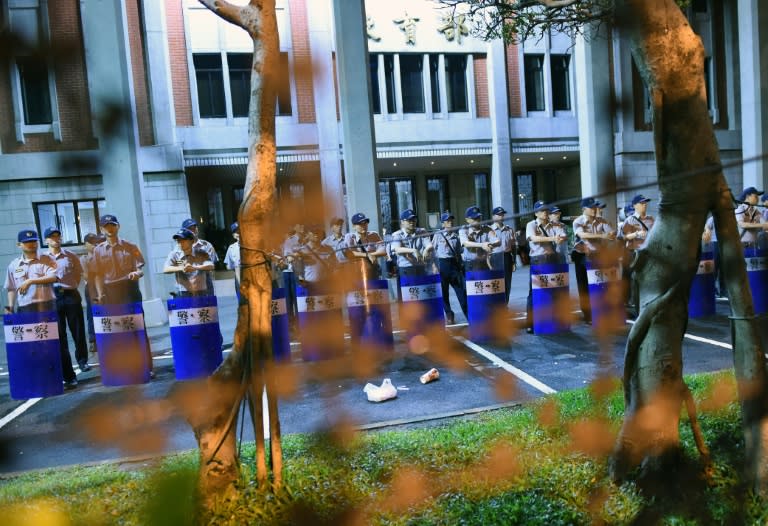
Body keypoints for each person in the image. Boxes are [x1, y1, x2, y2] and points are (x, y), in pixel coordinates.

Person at [4, 229, 78, 389]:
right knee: (32, 347)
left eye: (34, 241)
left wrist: (30, 281)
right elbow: (11, 288)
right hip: (25, 310)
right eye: (27, 242)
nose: (32, 244)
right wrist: (9, 306)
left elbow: (54, 277)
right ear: (19, 245)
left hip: (46, 307)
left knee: (57, 344)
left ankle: (69, 377)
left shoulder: (46, 260)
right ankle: (43, 379)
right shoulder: (14, 265)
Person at [93, 214, 154, 378]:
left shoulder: (130, 246)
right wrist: (99, 295)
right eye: (106, 226)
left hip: (129, 289)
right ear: (101, 229)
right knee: (116, 330)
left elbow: (140, 267)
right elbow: (97, 275)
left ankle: (146, 366)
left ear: (118, 226)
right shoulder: (98, 250)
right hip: (110, 292)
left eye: (112, 225)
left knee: (138, 328)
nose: (110, 229)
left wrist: (137, 273)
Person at [44, 226, 90, 372]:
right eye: (52, 237)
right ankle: (66, 366)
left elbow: (78, 273)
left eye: (58, 236)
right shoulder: (43, 259)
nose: (56, 239)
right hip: (53, 297)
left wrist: (72, 285)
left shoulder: (70, 255)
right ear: (46, 240)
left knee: (77, 330)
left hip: (71, 295)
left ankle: (82, 361)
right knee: (59, 333)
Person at [571, 197, 617, 324]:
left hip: (598, 255)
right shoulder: (578, 222)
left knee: (599, 283)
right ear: (584, 209)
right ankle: (588, 314)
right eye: (592, 207)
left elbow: (612, 234)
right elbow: (583, 235)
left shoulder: (601, 220)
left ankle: (601, 311)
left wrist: (611, 234)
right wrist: (603, 235)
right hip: (582, 256)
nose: (595, 210)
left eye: (596, 207)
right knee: (584, 285)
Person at [524, 201, 568, 333]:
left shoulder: (554, 224)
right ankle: (531, 323)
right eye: (542, 210)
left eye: (546, 210)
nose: (545, 213)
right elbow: (533, 238)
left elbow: (562, 235)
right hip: (538, 260)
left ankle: (553, 319)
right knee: (535, 291)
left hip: (553, 259)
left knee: (554, 289)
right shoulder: (531, 225)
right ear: (536, 213)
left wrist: (560, 238)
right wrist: (552, 239)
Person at [622, 194, 655, 318]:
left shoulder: (651, 219)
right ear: (635, 205)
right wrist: (635, 234)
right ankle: (637, 310)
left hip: (648, 254)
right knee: (635, 282)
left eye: (645, 202)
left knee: (647, 282)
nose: (644, 205)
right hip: (634, 254)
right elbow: (623, 237)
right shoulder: (630, 220)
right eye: (642, 203)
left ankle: (648, 308)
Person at [431, 212, 467, 325]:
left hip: (454, 266)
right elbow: (431, 251)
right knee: (443, 293)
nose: (450, 222)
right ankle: (449, 314)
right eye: (447, 221)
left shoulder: (456, 236)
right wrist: (433, 266)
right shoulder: (438, 235)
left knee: (461, 292)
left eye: (451, 220)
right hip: (442, 265)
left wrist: (461, 267)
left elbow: (459, 253)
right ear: (443, 223)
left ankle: (469, 314)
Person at [163, 228, 215, 296]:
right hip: (183, 292)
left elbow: (211, 266)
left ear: (192, 241)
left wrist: (194, 267)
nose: (180, 243)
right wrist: (182, 268)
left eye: (183, 240)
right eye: (178, 241)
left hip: (200, 291)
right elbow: (165, 269)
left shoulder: (201, 253)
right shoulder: (174, 254)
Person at [390, 209, 434, 277]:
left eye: (414, 220)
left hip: (421, 267)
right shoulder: (398, 235)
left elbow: (430, 245)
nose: (412, 222)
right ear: (402, 222)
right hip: (406, 268)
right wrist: (413, 250)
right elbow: (397, 249)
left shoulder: (421, 232)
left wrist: (427, 249)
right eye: (409, 220)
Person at [81, 232, 105, 355]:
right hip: (91, 288)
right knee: (92, 313)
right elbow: (86, 275)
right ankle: (93, 340)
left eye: (96, 241)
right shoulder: (84, 259)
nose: (94, 244)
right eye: (91, 242)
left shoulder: (103, 256)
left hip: (104, 287)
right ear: (86, 244)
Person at [345, 212, 386, 282]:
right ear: (353, 226)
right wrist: (367, 255)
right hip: (357, 272)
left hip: (373, 271)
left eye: (365, 223)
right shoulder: (350, 237)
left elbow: (383, 251)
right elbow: (350, 253)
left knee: (376, 292)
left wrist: (370, 255)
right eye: (360, 224)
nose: (363, 226)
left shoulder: (374, 235)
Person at [180, 218, 218, 294]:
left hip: (206, 286)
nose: (193, 230)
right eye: (190, 228)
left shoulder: (206, 245)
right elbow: (178, 263)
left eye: (195, 227)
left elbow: (212, 263)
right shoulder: (179, 246)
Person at [489, 206, 516, 305]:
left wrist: (514, 261)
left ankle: (505, 304)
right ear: (493, 217)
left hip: (507, 256)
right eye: (499, 214)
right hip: (494, 257)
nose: (501, 216)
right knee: (495, 283)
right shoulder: (489, 230)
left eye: (502, 214)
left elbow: (513, 247)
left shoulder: (509, 229)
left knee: (507, 283)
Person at [459, 205, 499, 271]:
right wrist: (482, 245)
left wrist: (490, 245)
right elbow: (465, 243)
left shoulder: (487, 229)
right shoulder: (464, 230)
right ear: (467, 220)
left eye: (478, 217)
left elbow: (497, 241)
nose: (477, 220)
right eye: (474, 218)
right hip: (470, 264)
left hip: (484, 262)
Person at [223, 222, 241, 300]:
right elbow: (228, 266)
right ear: (233, 235)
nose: (238, 233)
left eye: (239, 230)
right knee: (242, 303)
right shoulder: (231, 248)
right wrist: (236, 267)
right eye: (235, 232)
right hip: (239, 278)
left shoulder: (252, 244)